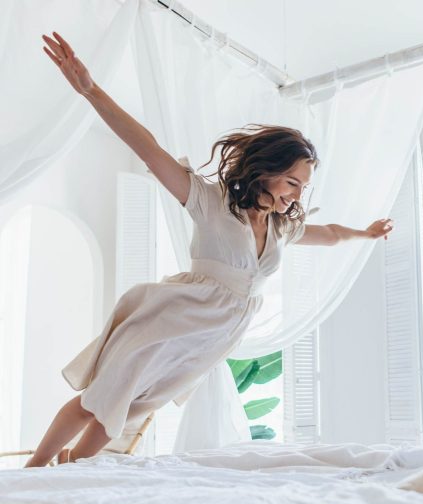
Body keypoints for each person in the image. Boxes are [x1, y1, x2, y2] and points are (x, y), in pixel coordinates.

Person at [25, 32, 394, 468]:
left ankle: (71, 470)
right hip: (170, 319)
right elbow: (147, 147)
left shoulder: (280, 228)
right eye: (292, 183)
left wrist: (365, 234)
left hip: (205, 339)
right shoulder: (211, 202)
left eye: (303, 188)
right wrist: (91, 91)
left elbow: (328, 232)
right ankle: (35, 468)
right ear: (267, 171)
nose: (296, 195)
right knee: (100, 399)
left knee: (128, 407)